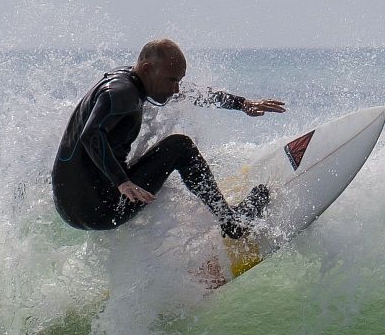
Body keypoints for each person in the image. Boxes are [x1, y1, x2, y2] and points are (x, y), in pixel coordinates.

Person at [51, 38, 285, 238]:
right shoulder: (121, 94)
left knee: (160, 160)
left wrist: (242, 104)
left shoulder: (128, 82)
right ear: (147, 69)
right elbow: (91, 135)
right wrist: (123, 182)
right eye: (172, 80)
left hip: (70, 208)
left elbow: (192, 94)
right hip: (100, 208)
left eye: (178, 81)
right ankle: (231, 221)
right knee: (180, 147)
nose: (176, 89)